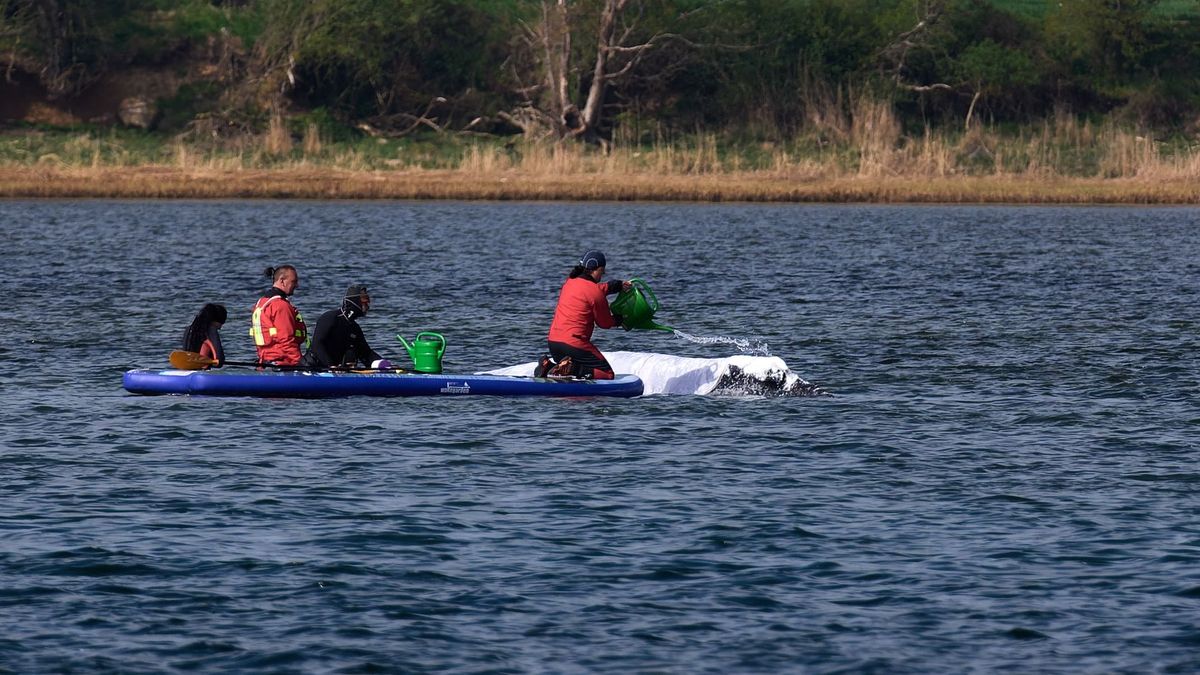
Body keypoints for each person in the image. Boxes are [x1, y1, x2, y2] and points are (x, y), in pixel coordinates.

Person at [538, 249, 631, 379]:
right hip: (574, 344)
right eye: (602, 271)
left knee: (578, 365)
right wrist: (619, 320)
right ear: (595, 269)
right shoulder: (595, 292)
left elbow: (590, 291)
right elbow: (604, 323)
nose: (602, 275)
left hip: (554, 343)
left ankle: (548, 366)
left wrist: (615, 286)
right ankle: (572, 369)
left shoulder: (570, 283)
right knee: (607, 374)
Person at [300, 284, 391, 370]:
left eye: (368, 301)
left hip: (334, 371)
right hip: (312, 368)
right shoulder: (330, 318)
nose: (367, 305)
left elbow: (366, 354)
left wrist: (385, 365)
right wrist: (331, 366)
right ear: (354, 301)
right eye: (364, 301)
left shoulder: (355, 328)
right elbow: (317, 344)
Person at [250, 265, 307, 366]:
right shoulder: (281, 306)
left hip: (265, 362)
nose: (297, 285)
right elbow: (286, 340)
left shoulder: (261, 303)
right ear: (282, 281)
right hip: (284, 363)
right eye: (293, 281)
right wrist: (301, 362)